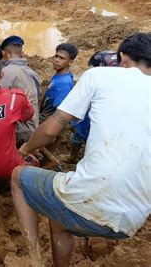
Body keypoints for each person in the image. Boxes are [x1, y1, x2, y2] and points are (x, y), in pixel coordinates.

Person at [11, 32, 151, 266]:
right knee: (58, 219)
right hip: (132, 221)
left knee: (18, 177)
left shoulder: (98, 76)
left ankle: (33, 259)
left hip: (92, 199)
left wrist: (25, 149)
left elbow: (50, 130)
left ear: (123, 58)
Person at [67, 50, 118, 162]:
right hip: (98, 123)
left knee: (79, 137)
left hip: (90, 121)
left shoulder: (97, 83)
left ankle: (73, 157)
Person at [0, 35, 41, 145]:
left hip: (18, 132)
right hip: (34, 128)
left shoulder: (6, 72)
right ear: (21, 52)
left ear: (4, 53)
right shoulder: (33, 73)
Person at [39, 43, 78, 122]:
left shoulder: (64, 83)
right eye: (56, 56)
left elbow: (59, 113)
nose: (57, 60)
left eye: (62, 58)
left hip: (47, 119)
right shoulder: (60, 74)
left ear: (70, 62)